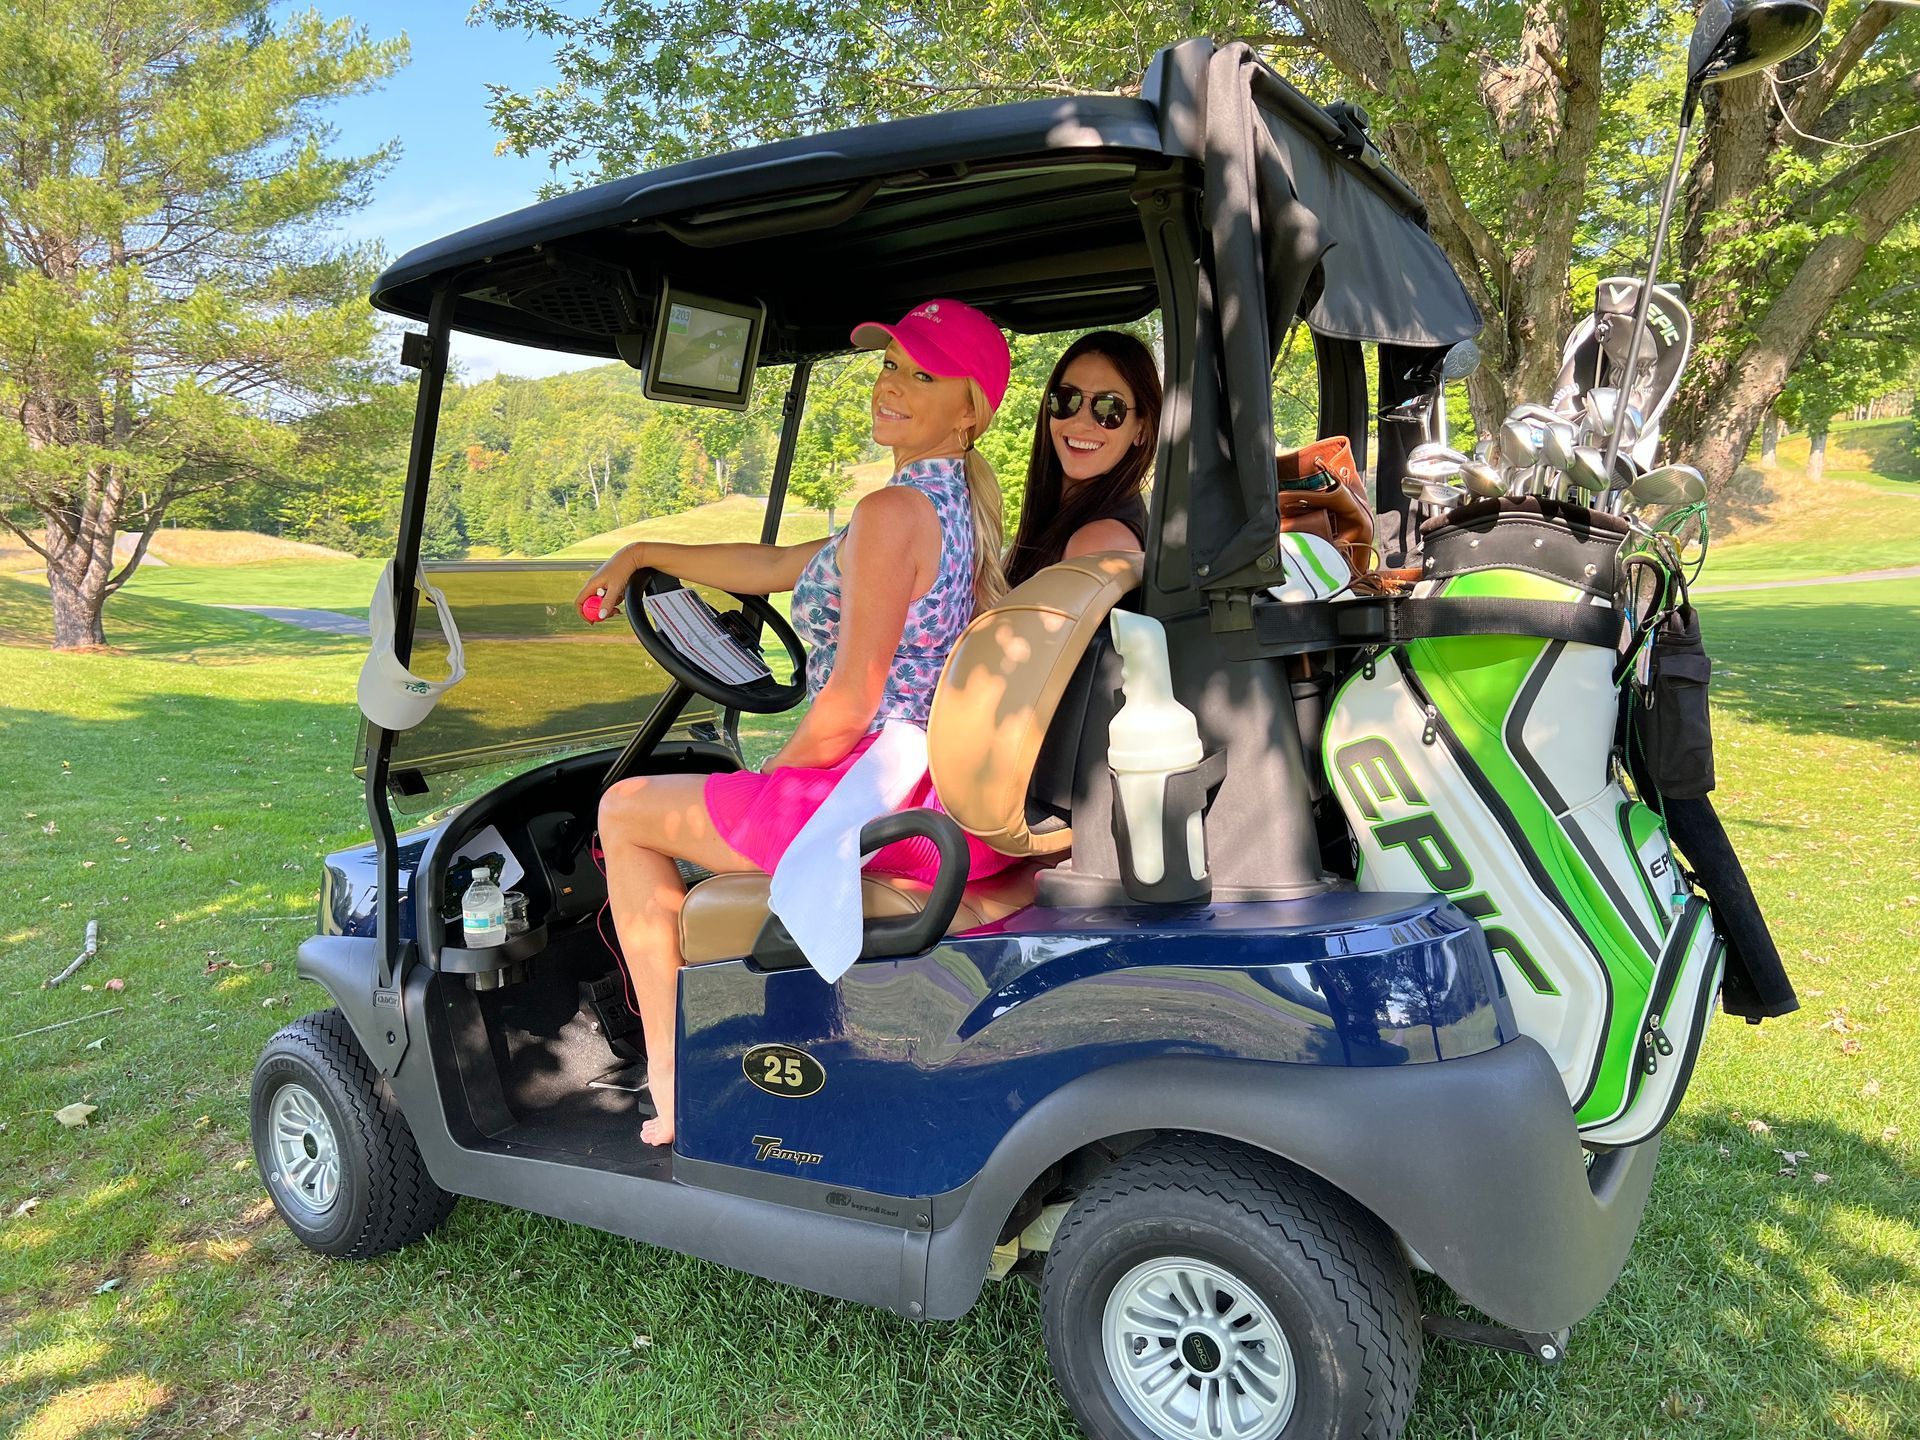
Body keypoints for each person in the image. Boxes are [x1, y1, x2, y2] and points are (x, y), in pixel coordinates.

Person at [576, 298, 1013, 1146]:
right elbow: (782, 565)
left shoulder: (895, 515)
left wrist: (770, 786)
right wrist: (643, 553)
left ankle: (670, 1084)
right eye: (890, 364)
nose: (891, 385)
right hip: (916, 774)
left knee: (622, 810)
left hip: (870, 783)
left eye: (922, 375)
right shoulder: (943, 503)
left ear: (970, 410)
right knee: (658, 804)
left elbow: (849, 700)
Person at [1003, 331, 1161, 589]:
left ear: (1141, 430)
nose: (1081, 422)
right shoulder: (1067, 518)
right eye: (1066, 399)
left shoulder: (1096, 543)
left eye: (1109, 408)